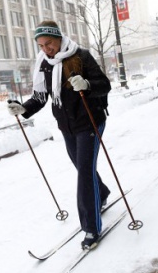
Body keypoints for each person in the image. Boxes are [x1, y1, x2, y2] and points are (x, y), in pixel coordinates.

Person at [7, 20, 112, 250]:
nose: (46, 49)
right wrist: (24, 108)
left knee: (84, 173)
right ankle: (101, 192)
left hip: (90, 122)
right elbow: (41, 97)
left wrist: (86, 84)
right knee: (81, 167)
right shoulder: (44, 64)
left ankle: (92, 228)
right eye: (41, 45)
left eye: (49, 43)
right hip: (67, 126)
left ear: (59, 38)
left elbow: (104, 84)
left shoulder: (81, 56)